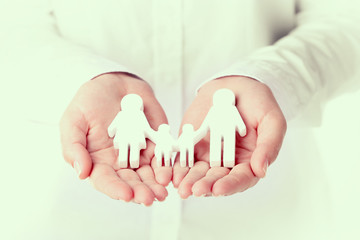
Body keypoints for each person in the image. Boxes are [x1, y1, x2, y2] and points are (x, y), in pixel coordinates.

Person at [2, 0, 360, 239]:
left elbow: (347, 20)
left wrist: (272, 77)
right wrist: (83, 81)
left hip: (265, 216)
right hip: (64, 216)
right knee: (128, 153)